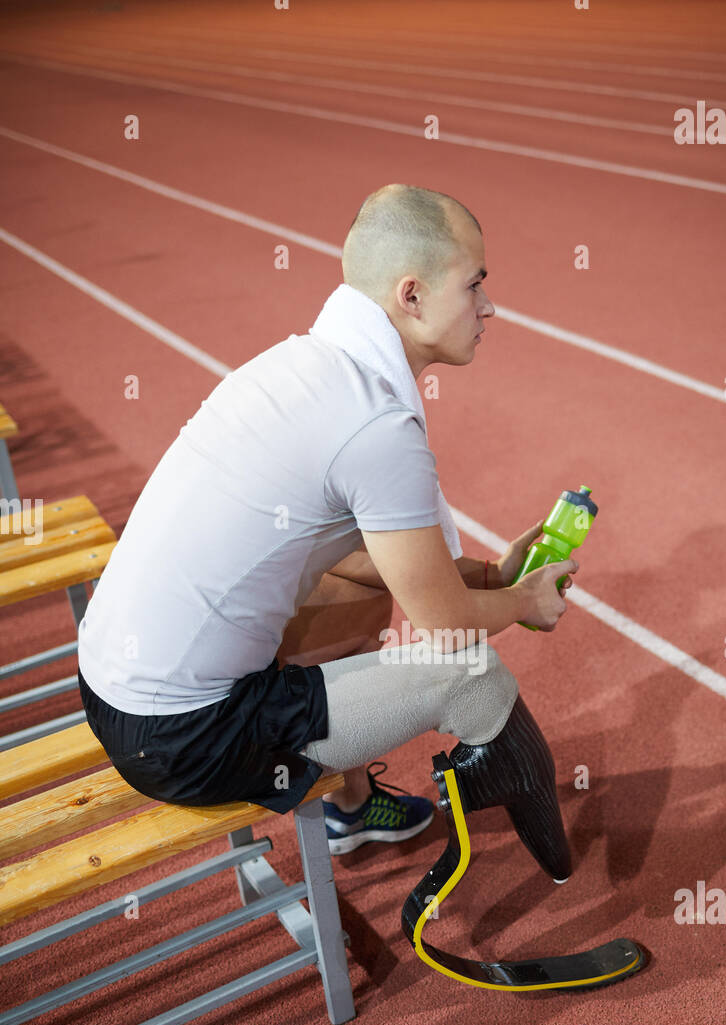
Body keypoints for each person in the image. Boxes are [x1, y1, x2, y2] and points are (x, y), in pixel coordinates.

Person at [76, 183, 576, 866]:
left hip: (111, 686)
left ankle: (347, 808)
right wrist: (523, 603)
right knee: (475, 674)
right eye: (474, 285)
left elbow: (369, 561)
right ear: (411, 296)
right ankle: (557, 878)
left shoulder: (299, 364)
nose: (489, 307)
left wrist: (489, 574)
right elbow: (445, 623)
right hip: (186, 738)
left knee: (359, 593)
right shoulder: (375, 425)